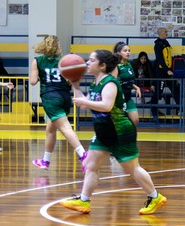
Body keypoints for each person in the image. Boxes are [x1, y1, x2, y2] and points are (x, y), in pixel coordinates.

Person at [59, 49, 167, 215]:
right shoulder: (96, 83)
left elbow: (107, 105)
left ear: (102, 66)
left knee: (133, 169)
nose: (87, 62)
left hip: (119, 132)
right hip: (104, 132)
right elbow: (85, 104)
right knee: (90, 165)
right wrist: (75, 84)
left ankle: (155, 196)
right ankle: (84, 201)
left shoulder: (110, 83)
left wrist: (83, 100)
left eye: (91, 60)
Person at [29, 35, 88, 170]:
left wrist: (40, 77)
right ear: (58, 47)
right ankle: (45, 160)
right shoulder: (64, 61)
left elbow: (32, 82)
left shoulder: (38, 61)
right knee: (50, 130)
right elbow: (69, 80)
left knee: (65, 127)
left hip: (50, 97)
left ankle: (83, 155)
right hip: (64, 96)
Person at [151, 27, 174, 120]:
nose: (167, 33)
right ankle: (154, 111)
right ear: (160, 33)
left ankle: (182, 109)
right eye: (165, 32)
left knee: (175, 87)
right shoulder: (158, 45)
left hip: (168, 71)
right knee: (158, 92)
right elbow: (160, 59)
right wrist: (166, 69)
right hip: (161, 71)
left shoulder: (166, 42)